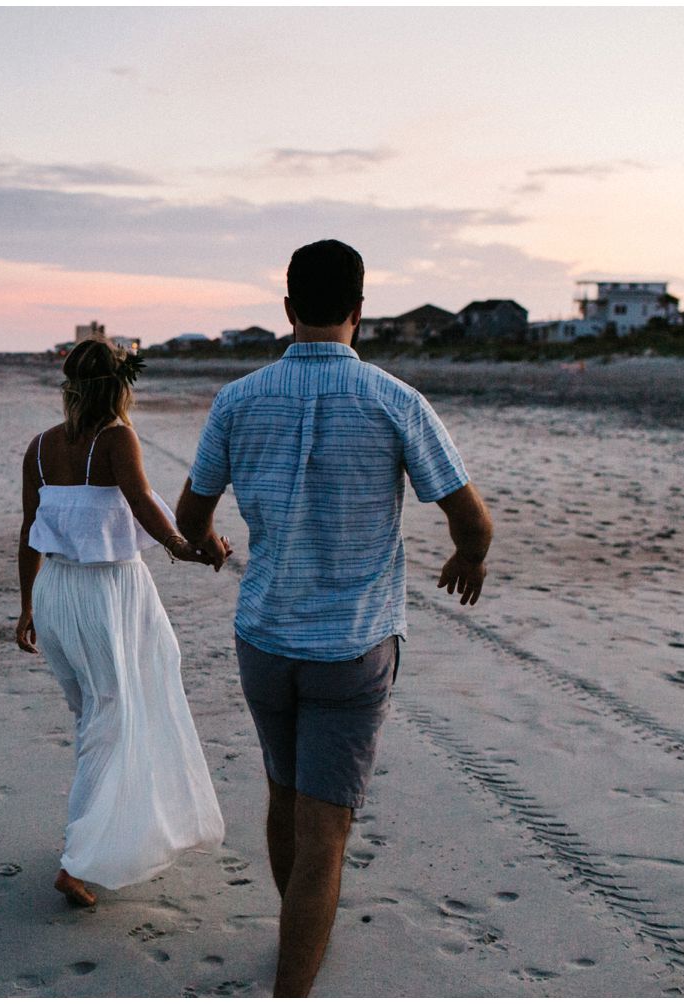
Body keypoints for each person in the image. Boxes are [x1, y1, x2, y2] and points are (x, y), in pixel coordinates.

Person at [175, 239, 494, 996]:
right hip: (351, 648)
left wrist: (212, 542)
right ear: (360, 311)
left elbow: (192, 516)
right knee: (326, 832)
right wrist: (468, 559)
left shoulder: (239, 399)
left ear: (287, 310)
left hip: (264, 640)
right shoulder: (394, 399)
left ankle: (300, 932)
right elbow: (472, 521)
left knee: (284, 796)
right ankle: (294, 982)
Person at [16, 338, 230, 908]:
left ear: (69, 389)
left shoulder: (39, 448)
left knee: (98, 713)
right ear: (120, 386)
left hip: (55, 590)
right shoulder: (116, 436)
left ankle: (100, 834)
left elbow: (28, 532)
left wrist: (27, 605)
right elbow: (143, 505)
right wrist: (187, 548)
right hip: (107, 592)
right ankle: (79, 858)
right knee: (110, 712)